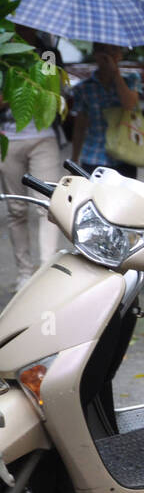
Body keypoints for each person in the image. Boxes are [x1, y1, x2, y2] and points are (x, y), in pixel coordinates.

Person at [1, 25, 63, 293]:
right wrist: (14, 94)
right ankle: (24, 274)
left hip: (43, 137)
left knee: (48, 206)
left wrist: (24, 87)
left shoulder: (47, 53)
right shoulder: (4, 52)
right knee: (16, 209)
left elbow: (52, 93)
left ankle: (47, 271)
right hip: (8, 138)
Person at [69, 42, 142, 178]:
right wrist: (74, 159)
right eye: (103, 50)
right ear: (95, 54)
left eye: (114, 49)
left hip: (125, 157)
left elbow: (130, 105)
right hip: (93, 157)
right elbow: (80, 126)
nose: (108, 55)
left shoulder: (132, 80)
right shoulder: (83, 88)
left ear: (120, 54)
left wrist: (115, 73)